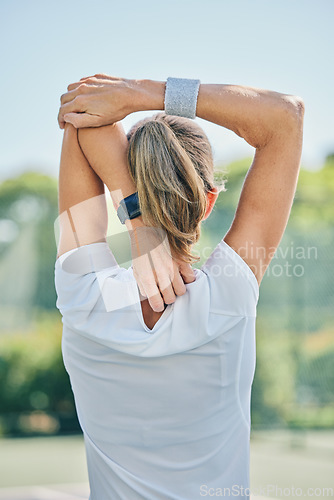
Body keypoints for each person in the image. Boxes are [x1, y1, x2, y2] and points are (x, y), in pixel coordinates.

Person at [55, 75, 304, 499]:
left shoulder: (85, 297)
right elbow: (286, 117)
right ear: (207, 201)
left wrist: (139, 219)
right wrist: (145, 95)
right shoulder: (229, 295)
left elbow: (83, 116)